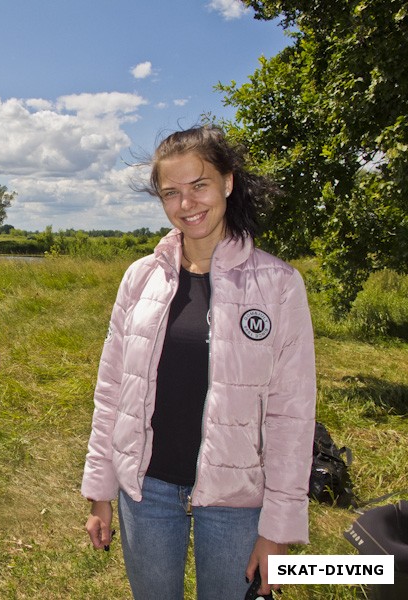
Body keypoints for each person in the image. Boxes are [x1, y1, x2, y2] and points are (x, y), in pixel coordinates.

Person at [82, 125, 316, 599]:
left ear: (228, 182)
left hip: (238, 500)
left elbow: (292, 415)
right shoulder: (140, 278)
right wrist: (100, 489)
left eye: (199, 186)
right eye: (171, 192)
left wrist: (277, 529)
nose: (186, 204)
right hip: (146, 492)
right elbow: (112, 391)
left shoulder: (278, 284)